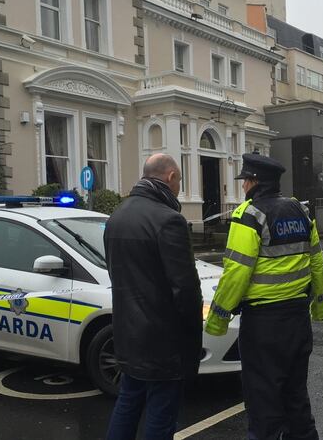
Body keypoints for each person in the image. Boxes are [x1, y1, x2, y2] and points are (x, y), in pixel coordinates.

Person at [205, 152, 323, 440]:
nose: (243, 187)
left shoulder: (248, 216)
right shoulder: (301, 211)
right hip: (298, 321)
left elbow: (236, 274)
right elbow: (317, 262)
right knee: (297, 400)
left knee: (264, 407)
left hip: (263, 326)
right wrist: (320, 305)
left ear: (254, 182)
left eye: (245, 181)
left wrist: (217, 320)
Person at [104, 153, 203, 440]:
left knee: (128, 402)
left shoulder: (117, 216)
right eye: (179, 181)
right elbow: (185, 289)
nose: (179, 189)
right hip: (162, 340)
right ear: (171, 177)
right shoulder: (169, 220)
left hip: (127, 333)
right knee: (161, 415)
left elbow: (117, 274)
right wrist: (192, 340)